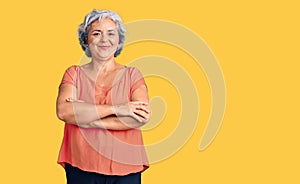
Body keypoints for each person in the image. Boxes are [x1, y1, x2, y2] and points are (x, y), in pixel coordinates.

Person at [56, 9, 151, 184]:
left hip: (126, 167)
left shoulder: (133, 75)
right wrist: (119, 109)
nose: (104, 39)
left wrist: (86, 118)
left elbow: (140, 117)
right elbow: (64, 111)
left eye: (111, 33)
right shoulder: (73, 74)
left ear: (118, 40)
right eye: (96, 33)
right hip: (81, 164)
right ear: (86, 39)